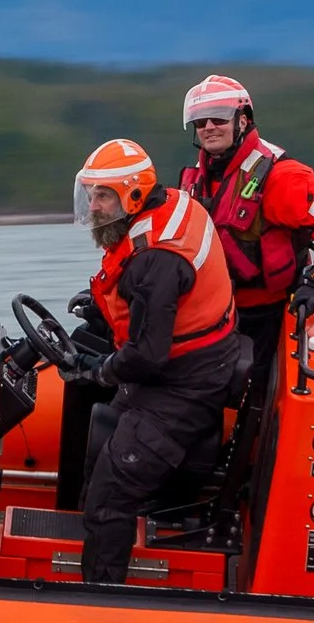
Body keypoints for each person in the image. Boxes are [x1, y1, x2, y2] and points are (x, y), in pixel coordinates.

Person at [71, 137, 241, 585]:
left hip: (186, 383)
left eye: (103, 196)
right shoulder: (173, 204)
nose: (94, 206)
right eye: (90, 194)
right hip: (197, 361)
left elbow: (147, 355)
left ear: (131, 195)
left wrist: (101, 370)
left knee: (110, 496)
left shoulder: (155, 259)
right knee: (100, 460)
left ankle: (100, 604)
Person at [177, 74, 314, 372]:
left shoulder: (281, 176)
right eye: (201, 122)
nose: (209, 127)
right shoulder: (197, 179)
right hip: (213, 312)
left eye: (219, 118)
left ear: (242, 120)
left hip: (266, 314)